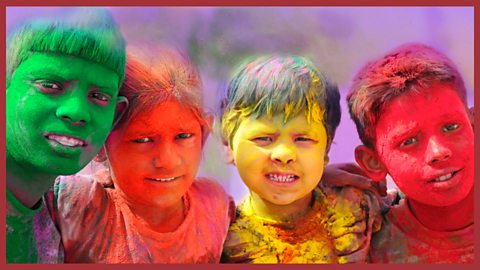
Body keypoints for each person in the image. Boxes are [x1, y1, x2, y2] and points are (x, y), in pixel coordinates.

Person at [48, 45, 234, 263]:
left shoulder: (215, 206)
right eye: (143, 140)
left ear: (204, 133)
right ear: (100, 142)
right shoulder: (78, 206)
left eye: (183, 137)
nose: (167, 161)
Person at [220, 55, 381, 263]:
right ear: (228, 146)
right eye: (263, 138)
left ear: (326, 148)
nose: (284, 154)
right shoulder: (222, 240)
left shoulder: (356, 207)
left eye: (303, 139)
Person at [6, 8, 127, 263]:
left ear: (115, 116)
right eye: (49, 85)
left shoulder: (62, 212)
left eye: (99, 97)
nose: (76, 112)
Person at [347, 43, 474, 263]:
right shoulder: (361, 244)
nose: (439, 151)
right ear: (373, 163)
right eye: (410, 141)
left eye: (451, 127)